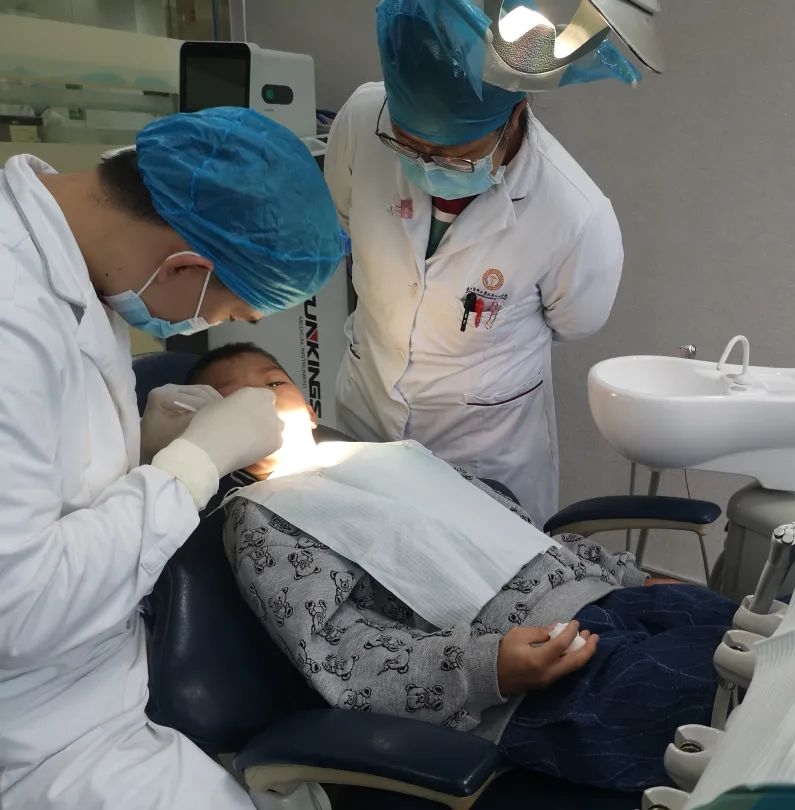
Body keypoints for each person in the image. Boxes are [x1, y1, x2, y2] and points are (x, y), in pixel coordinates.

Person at [190, 344, 737, 793]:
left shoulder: (395, 458)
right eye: (237, 400)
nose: (263, 401)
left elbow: (522, 533)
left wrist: (632, 577)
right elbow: (342, 655)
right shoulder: (261, 518)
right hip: (539, 667)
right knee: (739, 708)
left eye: (274, 383)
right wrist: (487, 668)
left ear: (309, 408)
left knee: (763, 637)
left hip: (612, 597)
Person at [0, 108, 345, 810]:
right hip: (37, 735)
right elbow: (19, 609)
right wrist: (190, 466)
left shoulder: (76, 260)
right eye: (228, 316)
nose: (204, 327)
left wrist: (140, 446)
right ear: (185, 266)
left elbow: (47, 477)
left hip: (100, 691)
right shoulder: (13, 322)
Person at [327, 0, 624, 527]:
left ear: (515, 116)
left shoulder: (574, 213)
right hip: (367, 419)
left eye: (456, 156)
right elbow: (347, 217)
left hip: (483, 455)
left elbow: (576, 321)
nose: (427, 164)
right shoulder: (361, 120)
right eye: (407, 144)